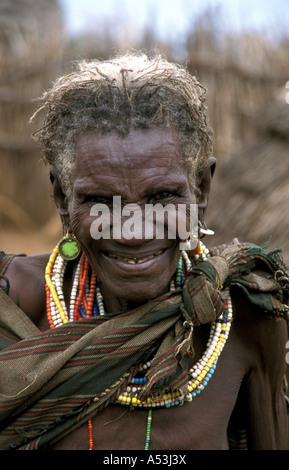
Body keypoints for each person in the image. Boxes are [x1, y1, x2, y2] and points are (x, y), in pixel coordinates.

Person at [0, 52, 288, 451]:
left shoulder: (246, 319)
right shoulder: (13, 309)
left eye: (162, 196)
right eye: (101, 200)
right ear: (61, 198)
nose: (133, 232)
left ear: (201, 190)